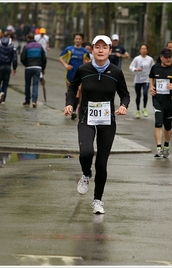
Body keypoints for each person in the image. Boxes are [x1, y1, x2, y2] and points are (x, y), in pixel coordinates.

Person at [63, 35, 130, 214]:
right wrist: (69, 103)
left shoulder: (116, 72)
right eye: (97, 47)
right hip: (87, 119)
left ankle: (98, 200)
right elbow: (72, 87)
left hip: (107, 122)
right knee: (85, 152)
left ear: (109, 50)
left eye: (104, 47)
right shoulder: (84, 69)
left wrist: (124, 106)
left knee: (101, 163)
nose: (100, 50)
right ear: (91, 49)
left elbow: (125, 94)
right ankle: (86, 174)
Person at [149, 48, 172, 158]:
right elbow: (151, 77)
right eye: (166, 57)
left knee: (168, 125)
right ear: (161, 58)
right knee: (158, 121)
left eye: (170, 57)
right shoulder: (155, 67)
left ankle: (166, 145)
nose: (169, 59)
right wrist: (151, 87)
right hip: (157, 99)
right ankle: (158, 147)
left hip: (170, 100)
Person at [59, 32, 90, 119]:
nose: (77, 40)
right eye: (76, 39)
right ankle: (68, 106)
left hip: (80, 75)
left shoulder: (84, 51)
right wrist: (66, 65)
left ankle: (73, 110)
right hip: (70, 74)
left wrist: (86, 65)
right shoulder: (69, 49)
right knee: (70, 91)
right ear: (74, 40)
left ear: (82, 40)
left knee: (77, 92)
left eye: (79, 39)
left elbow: (90, 60)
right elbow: (60, 57)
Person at [0, 31, 18, 104]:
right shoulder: (12, 45)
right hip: (8, 66)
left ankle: (0, 92)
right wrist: (14, 67)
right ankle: (3, 100)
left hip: (0, 65)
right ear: (8, 37)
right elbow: (15, 57)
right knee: (5, 83)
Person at [20, 33, 46, 108]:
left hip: (28, 67)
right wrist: (42, 68)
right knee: (35, 84)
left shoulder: (26, 46)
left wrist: (26, 64)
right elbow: (44, 59)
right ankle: (34, 100)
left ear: (28, 38)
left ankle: (27, 101)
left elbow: (22, 58)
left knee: (27, 84)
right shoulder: (40, 46)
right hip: (37, 67)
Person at [129, 44, 155, 118]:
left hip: (146, 79)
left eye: (145, 49)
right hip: (138, 80)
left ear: (147, 50)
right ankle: (137, 110)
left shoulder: (150, 59)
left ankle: (144, 108)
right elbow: (131, 66)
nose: (143, 50)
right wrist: (135, 69)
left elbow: (153, 68)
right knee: (138, 95)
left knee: (145, 93)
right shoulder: (137, 59)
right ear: (140, 50)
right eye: (142, 49)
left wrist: (153, 75)